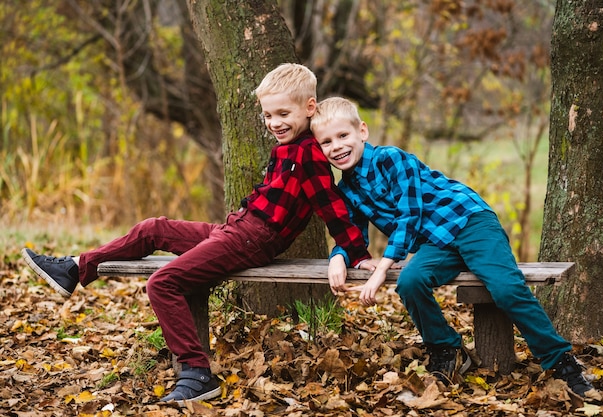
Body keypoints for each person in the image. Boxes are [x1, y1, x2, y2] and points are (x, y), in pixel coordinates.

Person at [21, 65, 373, 405]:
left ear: (309, 107)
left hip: (254, 240)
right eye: (268, 115)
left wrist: (357, 254)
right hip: (238, 230)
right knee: (152, 228)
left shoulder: (310, 153)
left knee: (162, 283)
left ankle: (196, 372)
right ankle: (75, 268)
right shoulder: (287, 147)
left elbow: (331, 206)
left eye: (283, 113)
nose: (274, 123)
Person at [309, 96, 596, 397]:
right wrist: (339, 256)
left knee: (505, 287)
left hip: (469, 221)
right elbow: (350, 233)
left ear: (362, 132)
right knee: (410, 281)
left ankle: (561, 360)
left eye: (343, 135)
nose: (336, 146)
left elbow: (410, 215)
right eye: (326, 142)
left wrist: (381, 268)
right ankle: (446, 347)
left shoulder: (391, 159)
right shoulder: (347, 190)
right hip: (435, 243)